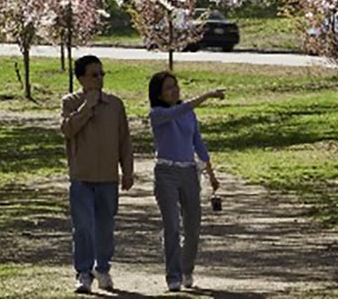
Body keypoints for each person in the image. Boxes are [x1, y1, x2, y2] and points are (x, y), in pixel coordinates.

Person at [61, 55, 134, 294]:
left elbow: (124, 140)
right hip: (81, 177)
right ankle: (84, 273)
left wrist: (128, 171)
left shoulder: (115, 104)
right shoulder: (70, 102)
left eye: (102, 74)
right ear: (81, 78)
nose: (99, 79)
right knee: (82, 227)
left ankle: (103, 268)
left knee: (105, 227)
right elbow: (68, 130)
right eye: (94, 75)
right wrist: (87, 108)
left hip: (108, 178)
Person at [147, 71, 224, 292]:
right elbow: (180, 110)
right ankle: (173, 275)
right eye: (168, 88)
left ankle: (186, 269)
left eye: (175, 85)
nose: (174, 90)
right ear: (159, 95)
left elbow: (198, 144)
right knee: (172, 225)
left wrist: (212, 175)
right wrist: (207, 96)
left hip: (189, 173)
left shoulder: (189, 115)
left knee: (193, 227)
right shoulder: (157, 114)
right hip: (165, 173)